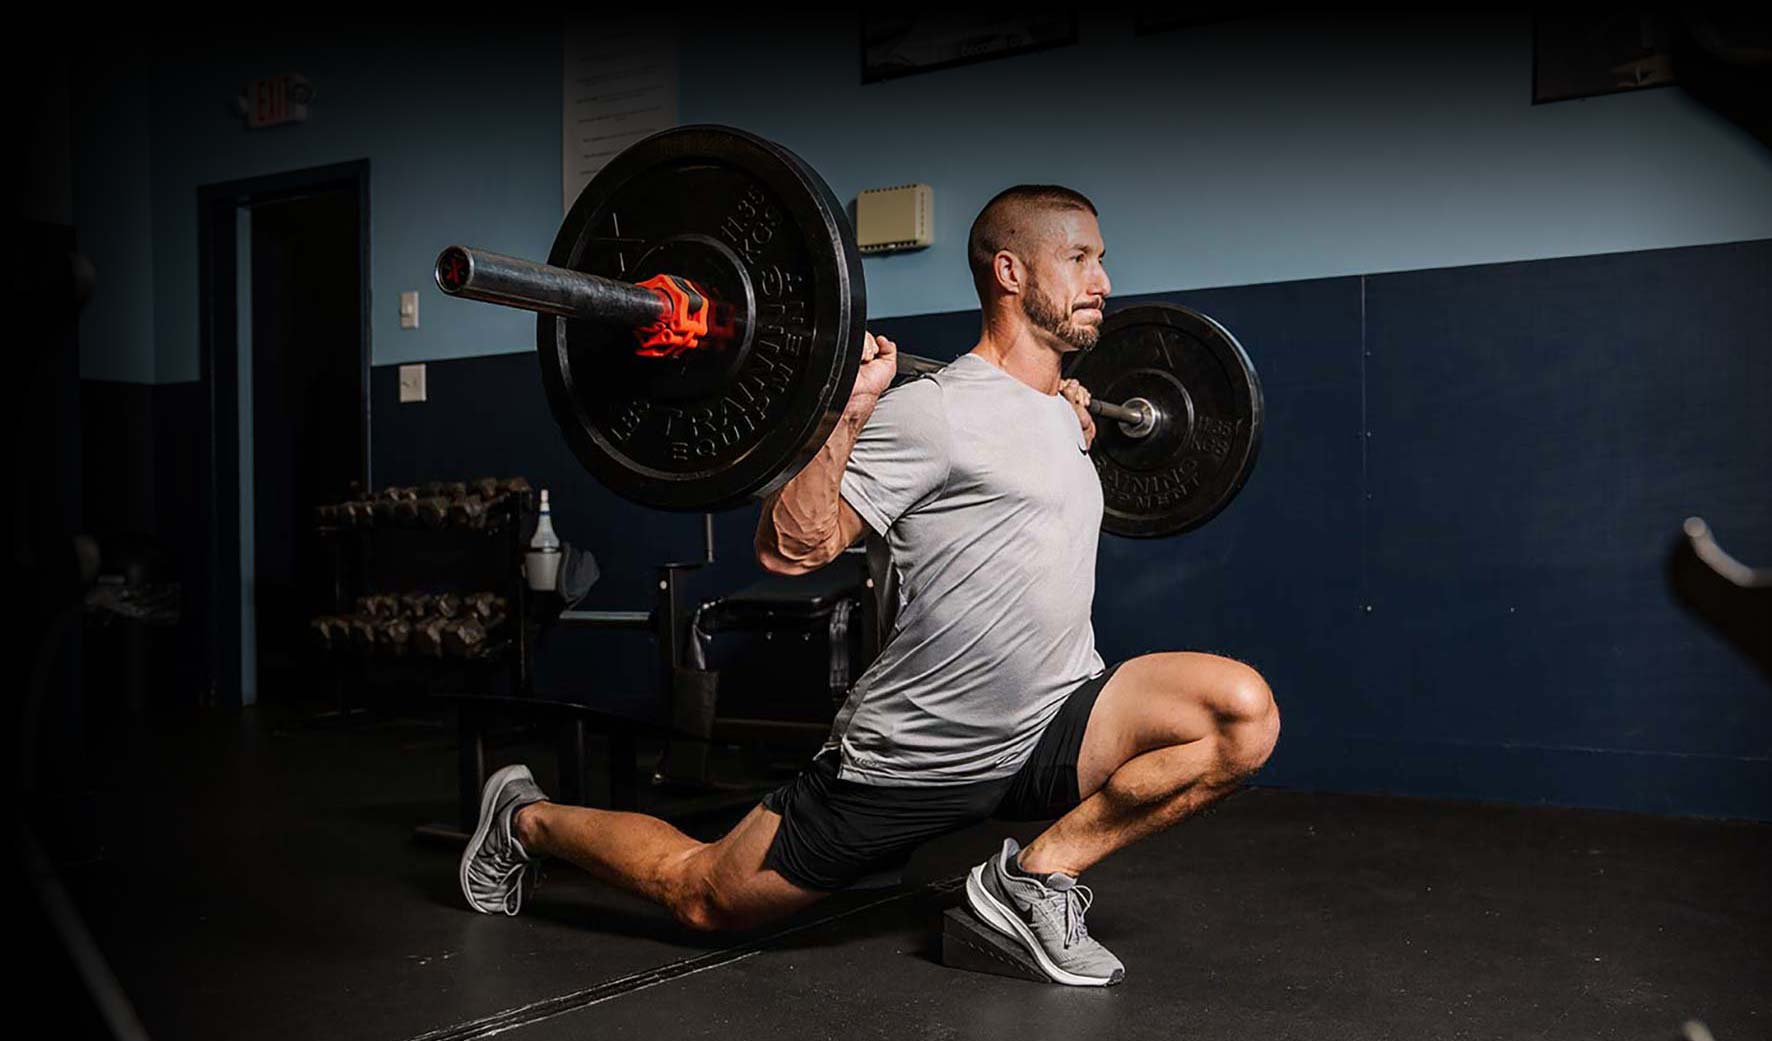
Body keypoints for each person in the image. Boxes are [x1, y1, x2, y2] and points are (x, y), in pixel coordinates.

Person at [461, 185, 1281, 987]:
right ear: (1010, 272)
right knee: (707, 895)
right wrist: (849, 410)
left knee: (1238, 715)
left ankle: (1031, 879)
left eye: (1101, 260)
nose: (1104, 282)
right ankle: (525, 816)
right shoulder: (932, 412)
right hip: (914, 757)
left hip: (1045, 723)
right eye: (1079, 258)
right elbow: (791, 548)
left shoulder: (1066, 416)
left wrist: (1067, 413)